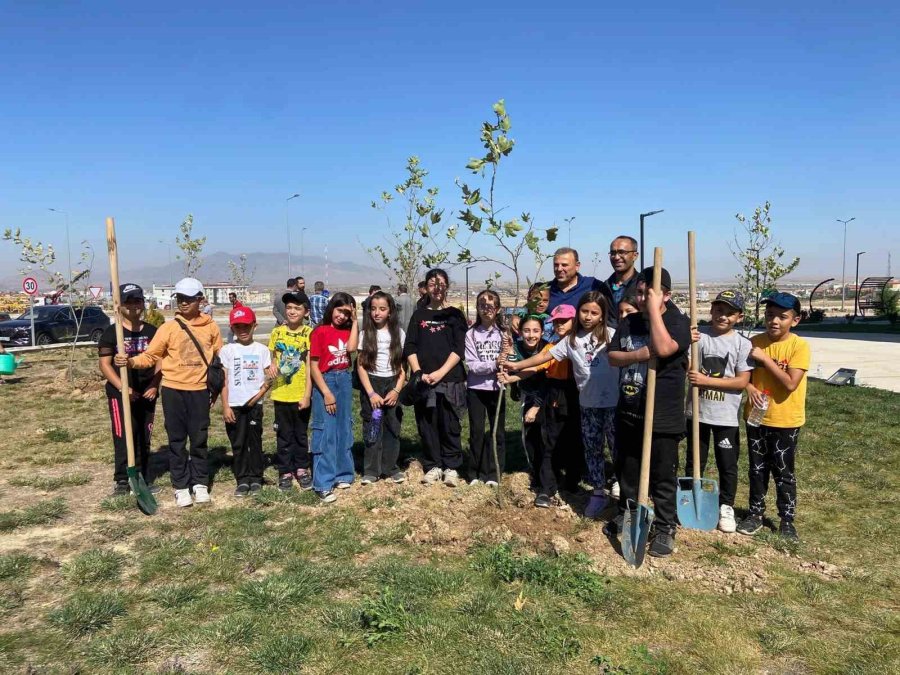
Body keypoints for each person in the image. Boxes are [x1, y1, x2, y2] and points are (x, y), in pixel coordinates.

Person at [506, 291, 620, 517]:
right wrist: (517, 366)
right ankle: (598, 493)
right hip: (588, 404)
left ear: (602, 315)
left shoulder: (612, 335)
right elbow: (543, 358)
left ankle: (624, 491)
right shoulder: (571, 340)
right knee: (593, 449)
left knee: (617, 448)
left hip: (613, 404)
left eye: (594, 312)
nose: (588, 316)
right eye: (584, 311)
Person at [606, 267, 691, 558]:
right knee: (627, 471)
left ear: (666, 295)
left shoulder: (678, 321)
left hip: (663, 415)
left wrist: (655, 311)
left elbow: (665, 348)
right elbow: (613, 356)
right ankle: (629, 513)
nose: (642, 299)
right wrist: (638, 355)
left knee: (662, 475)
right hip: (630, 410)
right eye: (640, 293)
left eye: (650, 294)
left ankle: (665, 527)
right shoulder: (629, 322)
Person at [117, 278, 223, 508]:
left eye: (189, 299)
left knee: (199, 439)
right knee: (176, 440)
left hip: (199, 391)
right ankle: (181, 486)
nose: (183, 303)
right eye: (180, 298)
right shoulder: (168, 328)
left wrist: (217, 390)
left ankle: (200, 483)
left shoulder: (211, 328)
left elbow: (218, 359)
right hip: (174, 391)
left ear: (200, 300)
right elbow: (150, 356)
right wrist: (130, 362)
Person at [736, 292, 809, 543]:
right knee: (757, 469)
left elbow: (790, 383)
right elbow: (744, 376)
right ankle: (755, 513)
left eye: (782, 317)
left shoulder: (799, 347)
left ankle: (787, 520)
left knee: (783, 471)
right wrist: (749, 388)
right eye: (769, 315)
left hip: (785, 421)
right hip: (756, 417)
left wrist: (766, 359)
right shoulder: (754, 342)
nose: (774, 321)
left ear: (795, 320)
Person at [685, 290, 753, 533]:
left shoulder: (742, 344)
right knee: (695, 460)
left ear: (739, 317)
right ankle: (691, 499)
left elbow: (741, 381)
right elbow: (687, 366)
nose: (723, 316)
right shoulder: (699, 337)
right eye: (719, 310)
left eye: (729, 313)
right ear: (711, 310)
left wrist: (706, 380)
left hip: (725, 417)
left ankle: (726, 506)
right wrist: (686, 341)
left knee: (727, 464)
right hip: (697, 413)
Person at [403, 268, 468, 487]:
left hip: (450, 379)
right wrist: (418, 372)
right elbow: (410, 346)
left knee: (450, 423)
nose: (437, 288)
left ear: (447, 286)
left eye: (441, 284)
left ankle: (451, 466)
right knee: (427, 423)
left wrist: (440, 373)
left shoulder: (455, 315)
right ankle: (432, 465)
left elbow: (459, 348)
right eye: (432, 284)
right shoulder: (419, 315)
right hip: (424, 381)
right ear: (426, 287)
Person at [98, 284, 162, 496]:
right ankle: (122, 479)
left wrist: (154, 385)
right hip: (120, 393)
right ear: (120, 305)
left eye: (137, 301)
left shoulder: (153, 332)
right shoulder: (112, 333)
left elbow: (161, 361)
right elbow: (105, 365)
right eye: (128, 301)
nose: (133, 305)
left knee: (144, 434)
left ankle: (141, 476)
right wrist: (122, 387)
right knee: (123, 434)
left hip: (147, 392)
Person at [309, 292, 359, 502]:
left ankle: (343, 473)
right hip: (326, 381)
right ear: (331, 308)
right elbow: (313, 366)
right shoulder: (319, 331)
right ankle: (323, 481)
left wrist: (355, 321)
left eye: (347, 313)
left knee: (344, 427)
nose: (342, 316)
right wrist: (327, 393)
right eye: (340, 311)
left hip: (344, 378)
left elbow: (352, 349)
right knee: (326, 430)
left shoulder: (348, 330)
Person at [498, 315, 551, 506]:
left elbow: (544, 377)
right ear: (520, 332)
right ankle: (536, 473)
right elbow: (509, 366)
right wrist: (507, 352)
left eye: (536, 331)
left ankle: (546, 484)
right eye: (526, 330)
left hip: (546, 397)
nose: (531, 335)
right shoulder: (518, 346)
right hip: (527, 396)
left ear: (542, 332)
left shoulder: (547, 348)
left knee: (544, 439)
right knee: (529, 437)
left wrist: (536, 406)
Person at [220, 306, 272, 497]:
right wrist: (225, 406)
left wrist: (258, 396)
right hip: (234, 404)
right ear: (232, 328)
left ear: (254, 326)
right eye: (238, 327)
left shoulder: (262, 350)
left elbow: (270, 378)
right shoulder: (227, 350)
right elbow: (223, 381)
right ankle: (242, 479)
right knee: (238, 442)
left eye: (246, 326)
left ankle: (256, 477)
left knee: (255, 441)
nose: (242, 330)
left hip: (254, 405)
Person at [357, 291, 407, 485]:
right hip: (372, 383)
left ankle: (390, 467)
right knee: (373, 426)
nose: (377, 313)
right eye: (373, 309)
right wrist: (371, 393)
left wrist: (396, 390)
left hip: (392, 383)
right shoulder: (365, 334)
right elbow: (360, 366)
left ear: (390, 311)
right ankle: (371, 470)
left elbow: (403, 368)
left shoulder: (399, 334)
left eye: (382, 309)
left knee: (392, 426)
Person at [267, 291, 314, 491]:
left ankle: (302, 468)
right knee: (283, 434)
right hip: (281, 393)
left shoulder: (310, 333)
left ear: (306, 312)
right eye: (289, 308)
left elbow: (311, 366)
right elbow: (273, 357)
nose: (292, 311)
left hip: (300, 394)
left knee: (300, 434)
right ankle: (285, 470)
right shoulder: (277, 332)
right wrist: (272, 365)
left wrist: (307, 394)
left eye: (297, 308)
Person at [538, 305, 583, 496]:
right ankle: (548, 485)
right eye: (556, 322)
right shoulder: (552, 347)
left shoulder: (582, 345)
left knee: (576, 437)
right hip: (556, 393)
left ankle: (573, 480)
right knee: (552, 437)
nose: (559, 325)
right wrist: (513, 372)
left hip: (579, 392)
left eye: (563, 321)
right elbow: (537, 364)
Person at [464, 290, 507, 486]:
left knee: (497, 432)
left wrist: (505, 363)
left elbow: (509, 357)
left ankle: (494, 472)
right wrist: (494, 364)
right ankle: (475, 472)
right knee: (477, 431)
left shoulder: (504, 334)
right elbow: (473, 365)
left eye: (490, 306)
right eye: (482, 305)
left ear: (497, 309)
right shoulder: (471, 334)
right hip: (476, 389)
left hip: (497, 388)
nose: (486, 309)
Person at [546, 247, 612, 314]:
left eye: (564, 265)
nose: (559, 269)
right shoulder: (546, 289)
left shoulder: (593, 285)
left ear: (577, 266)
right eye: (556, 265)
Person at [605, 236, 641, 308]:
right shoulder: (604, 288)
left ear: (635, 256)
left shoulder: (642, 288)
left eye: (622, 252)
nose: (616, 257)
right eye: (613, 253)